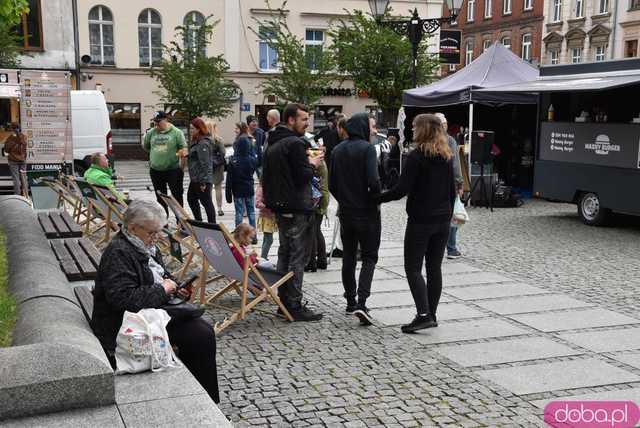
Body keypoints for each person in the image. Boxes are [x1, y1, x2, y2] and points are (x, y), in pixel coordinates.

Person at [91, 200, 219, 402]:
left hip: (148, 314)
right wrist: (164, 289)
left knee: (200, 330)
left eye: (159, 231)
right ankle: (205, 400)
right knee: (200, 334)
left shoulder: (144, 246)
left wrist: (178, 288)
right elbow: (123, 299)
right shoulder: (119, 252)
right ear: (132, 228)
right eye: (152, 232)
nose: (157, 237)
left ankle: (202, 396)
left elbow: (163, 276)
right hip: (124, 324)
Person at [376, 113, 456, 333]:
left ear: (424, 129)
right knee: (433, 268)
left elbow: (402, 189)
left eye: (414, 126)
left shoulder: (416, 156)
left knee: (412, 268)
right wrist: (447, 214)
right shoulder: (446, 154)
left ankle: (423, 314)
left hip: (421, 220)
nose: (411, 129)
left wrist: (377, 197)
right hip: (442, 220)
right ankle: (432, 313)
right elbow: (452, 191)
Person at [262, 103, 324, 322]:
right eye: (304, 119)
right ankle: (294, 305)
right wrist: (313, 163)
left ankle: (283, 301)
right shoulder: (295, 144)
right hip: (297, 206)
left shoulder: (273, 141)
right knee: (297, 257)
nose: (307, 123)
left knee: (285, 253)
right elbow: (302, 176)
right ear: (291, 120)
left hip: (281, 206)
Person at [329, 113, 381, 326]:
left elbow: (331, 183)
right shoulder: (367, 149)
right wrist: (375, 199)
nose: (372, 130)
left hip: (346, 213)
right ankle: (362, 301)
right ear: (362, 127)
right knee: (369, 257)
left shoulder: (338, 149)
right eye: (370, 126)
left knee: (349, 257)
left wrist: (344, 199)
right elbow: (373, 180)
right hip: (367, 213)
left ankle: (350, 300)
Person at [143, 111, 187, 217]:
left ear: (166, 119)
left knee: (177, 196)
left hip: (173, 170)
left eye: (159, 121)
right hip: (156, 170)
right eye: (155, 122)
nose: (156, 124)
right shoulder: (151, 133)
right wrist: (156, 155)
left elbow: (183, 149)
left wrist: (181, 166)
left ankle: (181, 223)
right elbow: (146, 147)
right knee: (160, 197)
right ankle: (164, 222)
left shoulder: (176, 132)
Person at [434, 113, 464, 260]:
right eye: (444, 123)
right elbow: (455, 165)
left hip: (432, 186)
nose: (445, 126)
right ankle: (451, 249)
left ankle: (432, 247)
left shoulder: (427, 141)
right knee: (451, 217)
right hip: (449, 185)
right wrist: (460, 184)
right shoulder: (450, 140)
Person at [226, 123, 257, 232]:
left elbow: (229, 179)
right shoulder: (252, 159)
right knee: (251, 212)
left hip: (237, 189)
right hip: (249, 187)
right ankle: (253, 235)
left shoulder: (233, 161)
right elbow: (253, 170)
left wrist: (228, 194)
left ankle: (238, 235)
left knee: (239, 212)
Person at [187, 118, 216, 223]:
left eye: (192, 128)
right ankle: (199, 221)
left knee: (206, 203)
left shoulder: (203, 143)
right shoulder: (197, 141)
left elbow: (206, 163)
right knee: (191, 199)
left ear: (199, 129)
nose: (190, 130)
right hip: (195, 178)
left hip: (201, 179)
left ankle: (212, 225)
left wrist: (203, 182)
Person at [305, 153, 329, 272]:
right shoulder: (322, 161)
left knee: (313, 231)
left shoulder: (317, 162)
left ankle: (312, 262)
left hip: (317, 199)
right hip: (321, 198)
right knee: (316, 230)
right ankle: (321, 260)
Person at [205, 120, 226, 217]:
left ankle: (209, 207)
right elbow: (223, 152)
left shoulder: (204, 139)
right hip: (217, 166)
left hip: (207, 166)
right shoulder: (218, 139)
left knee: (208, 188)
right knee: (218, 187)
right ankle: (219, 208)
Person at [255, 179, 277, 260]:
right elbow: (257, 203)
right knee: (269, 240)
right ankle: (263, 258)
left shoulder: (271, 186)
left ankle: (263, 256)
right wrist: (268, 206)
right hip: (266, 217)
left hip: (271, 216)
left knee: (266, 238)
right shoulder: (261, 188)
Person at [4, 123, 27, 195]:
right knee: (23, 178)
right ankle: (25, 194)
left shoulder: (10, 138)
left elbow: (6, 150)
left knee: (16, 179)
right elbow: (25, 149)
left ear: (12, 129)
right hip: (22, 160)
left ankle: (18, 195)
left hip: (13, 161)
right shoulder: (24, 137)